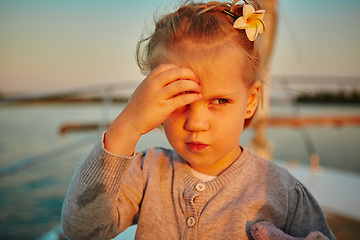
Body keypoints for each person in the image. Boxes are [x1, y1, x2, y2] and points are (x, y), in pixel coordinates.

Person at [61, 0, 335, 239]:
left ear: (251, 101)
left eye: (219, 101)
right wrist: (127, 126)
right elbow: (82, 231)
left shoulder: (283, 192)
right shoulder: (146, 172)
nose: (196, 123)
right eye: (180, 100)